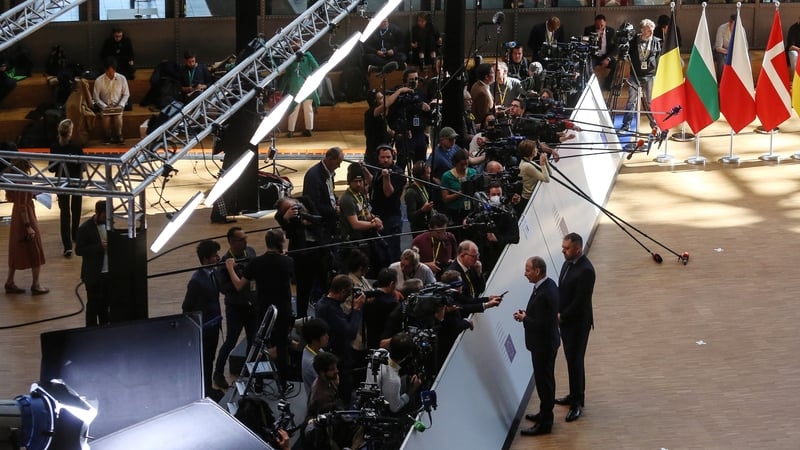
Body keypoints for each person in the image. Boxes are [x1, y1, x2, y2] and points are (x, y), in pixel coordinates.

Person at [225, 230, 294, 391]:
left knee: (260, 347)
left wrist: (230, 268)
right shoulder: (288, 261)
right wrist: (283, 255)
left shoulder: (256, 263)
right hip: (283, 311)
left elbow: (238, 285)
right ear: (280, 243)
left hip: (264, 310)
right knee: (282, 348)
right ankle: (283, 385)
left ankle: (258, 383)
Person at [515, 256, 560, 436]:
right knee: (545, 381)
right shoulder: (548, 285)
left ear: (537, 271)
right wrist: (529, 315)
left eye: (527, 270)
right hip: (546, 343)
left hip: (543, 346)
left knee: (544, 383)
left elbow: (541, 325)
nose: (525, 274)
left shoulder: (543, 293)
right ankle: (544, 413)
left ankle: (545, 423)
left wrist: (524, 318)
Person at [555, 232, 596, 423]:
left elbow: (580, 301)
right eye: (563, 247)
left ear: (577, 249)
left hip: (578, 324)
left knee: (576, 360)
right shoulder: (566, 263)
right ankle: (574, 394)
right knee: (571, 360)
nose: (563, 251)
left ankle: (577, 402)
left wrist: (562, 316)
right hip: (566, 322)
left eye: (566, 248)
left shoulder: (586, 270)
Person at [213, 227, 258, 390]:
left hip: (253, 306)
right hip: (236, 309)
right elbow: (224, 289)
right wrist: (238, 277)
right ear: (231, 242)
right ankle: (218, 373)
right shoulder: (224, 263)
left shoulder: (251, 252)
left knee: (253, 342)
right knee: (230, 341)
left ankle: (249, 375)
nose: (245, 241)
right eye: (241, 239)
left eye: (246, 237)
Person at [181, 239, 223, 398]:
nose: (218, 258)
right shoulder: (196, 281)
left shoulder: (214, 273)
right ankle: (204, 391)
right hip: (204, 329)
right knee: (204, 361)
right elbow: (186, 307)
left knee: (210, 359)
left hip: (214, 326)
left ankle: (207, 388)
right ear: (206, 259)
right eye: (215, 256)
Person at [314, 274, 365, 403]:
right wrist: (357, 309)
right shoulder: (330, 309)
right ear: (342, 291)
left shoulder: (323, 302)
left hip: (334, 352)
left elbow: (343, 323)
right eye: (348, 293)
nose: (349, 296)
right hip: (339, 356)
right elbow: (350, 332)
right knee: (344, 392)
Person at [275, 196, 328, 318]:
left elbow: (319, 221)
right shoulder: (281, 217)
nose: (295, 208)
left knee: (324, 283)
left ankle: (326, 315)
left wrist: (304, 221)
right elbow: (290, 233)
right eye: (289, 208)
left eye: (294, 204)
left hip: (319, 248)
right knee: (303, 289)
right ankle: (301, 318)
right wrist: (287, 219)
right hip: (302, 255)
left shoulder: (306, 201)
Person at [4, 160, 47, 296]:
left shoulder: (13, 180)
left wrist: (31, 194)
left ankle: (10, 282)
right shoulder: (23, 181)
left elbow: (15, 199)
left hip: (17, 215)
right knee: (35, 248)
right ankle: (36, 284)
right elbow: (23, 204)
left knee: (16, 248)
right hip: (26, 216)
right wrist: (28, 226)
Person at [49, 119, 83, 257]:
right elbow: (83, 166)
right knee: (76, 209)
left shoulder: (54, 147)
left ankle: (67, 246)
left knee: (65, 213)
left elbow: (51, 168)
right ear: (70, 132)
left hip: (61, 181)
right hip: (75, 182)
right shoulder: (76, 147)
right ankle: (75, 234)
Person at [387, 67, 431, 169]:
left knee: (421, 166)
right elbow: (392, 118)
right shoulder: (399, 96)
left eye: (416, 79)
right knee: (401, 165)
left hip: (419, 135)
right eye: (411, 80)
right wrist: (399, 131)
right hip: (405, 136)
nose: (414, 82)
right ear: (405, 81)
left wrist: (428, 110)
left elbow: (426, 117)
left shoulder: (421, 94)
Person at [620, 19, 660, 132]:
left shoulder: (656, 41)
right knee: (631, 101)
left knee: (650, 101)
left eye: (652, 31)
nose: (651, 33)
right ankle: (626, 125)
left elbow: (658, 57)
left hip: (650, 75)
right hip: (635, 75)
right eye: (648, 31)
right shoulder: (633, 41)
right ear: (642, 30)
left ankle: (654, 125)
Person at [75, 200, 111, 326]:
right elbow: (79, 250)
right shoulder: (85, 228)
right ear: (97, 212)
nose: (107, 217)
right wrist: (99, 247)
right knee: (93, 305)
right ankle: (90, 330)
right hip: (93, 274)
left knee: (105, 304)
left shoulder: (110, 224)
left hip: (108, 273)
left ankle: (105, 328)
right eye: (105, 214)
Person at [370, 145, 405, 262]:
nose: (385, 160)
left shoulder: (398, 173)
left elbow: (388, 193)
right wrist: (364, 170)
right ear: (378, 158)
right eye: (382, 157)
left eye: (388, 157)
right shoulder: (378, 169)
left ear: (393, 157)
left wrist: (386, 177)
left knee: (391, 250)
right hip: (377, 215)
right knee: (379, 250)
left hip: (391, 217)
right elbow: (373, 183)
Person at [364, 87, 413, 167]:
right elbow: (386, 104)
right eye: (380, 98)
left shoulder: (381, 116)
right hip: (373, 156)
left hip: (383, 152)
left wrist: (402, 134)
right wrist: (399, 91)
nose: (383, 100)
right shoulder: (370, 113)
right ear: (374, 101)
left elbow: (390, 132)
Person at [375, 332, 422, 414]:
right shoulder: (394, 381)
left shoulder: (378, 353)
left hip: (376, 391)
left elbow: (383, 343)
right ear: (407, 356)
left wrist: (402, 339)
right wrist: (411, 390)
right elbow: (394, 408)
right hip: (383, 409)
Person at [302, 147, 343, 240]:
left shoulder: (329, 172)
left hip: (330, 216)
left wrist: (337, 200)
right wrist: (334, 211)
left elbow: (330, 192)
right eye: (338, 162)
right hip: (322, 222)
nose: (339, 166)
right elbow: (314, 204)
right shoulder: (314, 176)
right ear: (329, 159)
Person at [280, 46, 319, 138]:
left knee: (294, 109)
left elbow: (286, 76)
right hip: (307, 86)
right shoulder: (307, 56)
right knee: (308, 109)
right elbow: (316, 66)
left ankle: (291, 131)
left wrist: (280, 89)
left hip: (294, 87)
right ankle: (309, 129)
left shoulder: (290, 59)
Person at [93, 57, 130, 145]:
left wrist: (120, 105)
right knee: (106, 118)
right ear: (105, 70)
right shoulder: (99, 80)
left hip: (118, 105)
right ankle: (108, 136)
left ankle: (119, 135)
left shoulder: (122, 78)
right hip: (105, 106)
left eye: (112, 72)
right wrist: (104, 106)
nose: (110, 74)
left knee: (118, 117)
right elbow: (96, 98)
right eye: (108, 72)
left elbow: (126, 94)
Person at [411, 213, 458, 279]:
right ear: (430, 228)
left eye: (444, 231)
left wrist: (453, 262)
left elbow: (456, 256)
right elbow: (411, 264)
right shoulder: (418, 241)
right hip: (424, 277)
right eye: (438, 232)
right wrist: (426, 265)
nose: (442, 235)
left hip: (447, 276)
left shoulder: (450, 237)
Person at [440, 149, 477, 227]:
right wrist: (460, 193)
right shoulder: (447, 176)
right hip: (454, 212)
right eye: (461, 164)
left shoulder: (473, 172)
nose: (464, 167)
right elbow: (445, 198)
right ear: (455, 163)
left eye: (466, 164)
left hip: (470, 210)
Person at [517, 139, 551, 216]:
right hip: (529, 199)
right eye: (535, 148)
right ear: (531, 151)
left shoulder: (530, 162)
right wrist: (542, 163)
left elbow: (549, 174)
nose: (536, 149)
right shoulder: (527, 166)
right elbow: (546, 179)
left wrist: (545, 161)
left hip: (532, 196)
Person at [583, 14, 617, 91]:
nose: (600, 27)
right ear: (595, 23)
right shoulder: (588, 30)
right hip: (593, 56)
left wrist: (608, 58)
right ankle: (591, 85)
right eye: (597, 25)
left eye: (602, 25)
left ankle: (607, 84)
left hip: (605, 56)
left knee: (616, 65)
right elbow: (584, 43)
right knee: (587, 65)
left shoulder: (611, 31)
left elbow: (616, 48)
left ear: (605, 23)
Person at [306, 352, 343, 417]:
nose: (337, 371)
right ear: (322, 373)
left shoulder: (325, 379)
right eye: (332, 369)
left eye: (336, 368)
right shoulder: (322, 396)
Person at [301, 318, 330, 397]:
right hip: (319, 400)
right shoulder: (312, 363)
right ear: (314, 340)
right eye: (324, 335)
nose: (327, 337)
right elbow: (327, 384)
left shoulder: (311, 348)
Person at [404, 161, 434, 236]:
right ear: (422, 176)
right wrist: (422, 210)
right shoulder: (411, 192)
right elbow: (411, 217)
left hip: (428, 226)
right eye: (428, 173)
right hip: (419, 231)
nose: (430, 176)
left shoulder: (424, 186)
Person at [714, 15, 735, 82]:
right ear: (730, 23)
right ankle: (722, 81)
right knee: (722, 62)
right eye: (733, 25)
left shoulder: (741, 29)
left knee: (747, 58)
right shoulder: (722, 28)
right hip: (723, 51)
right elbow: (718, 47)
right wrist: (729, 52)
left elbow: (745, 46)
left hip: (735, 51)